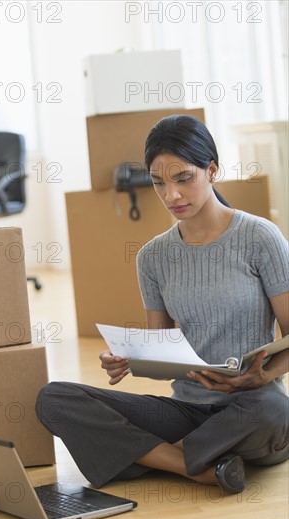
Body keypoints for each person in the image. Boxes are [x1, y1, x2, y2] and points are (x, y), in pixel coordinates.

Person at [36, 115, 289, 494]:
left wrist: (263, 376)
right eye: (159, 183)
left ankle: (148, 457)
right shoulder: (153, 256)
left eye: (183, 179)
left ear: (212, 170)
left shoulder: (259, 238)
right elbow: (161, 349)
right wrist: (129, 358)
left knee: (276, 412)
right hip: (186, 412)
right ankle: (195, 467)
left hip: (250, 406)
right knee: (54, 398)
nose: (171, 195)